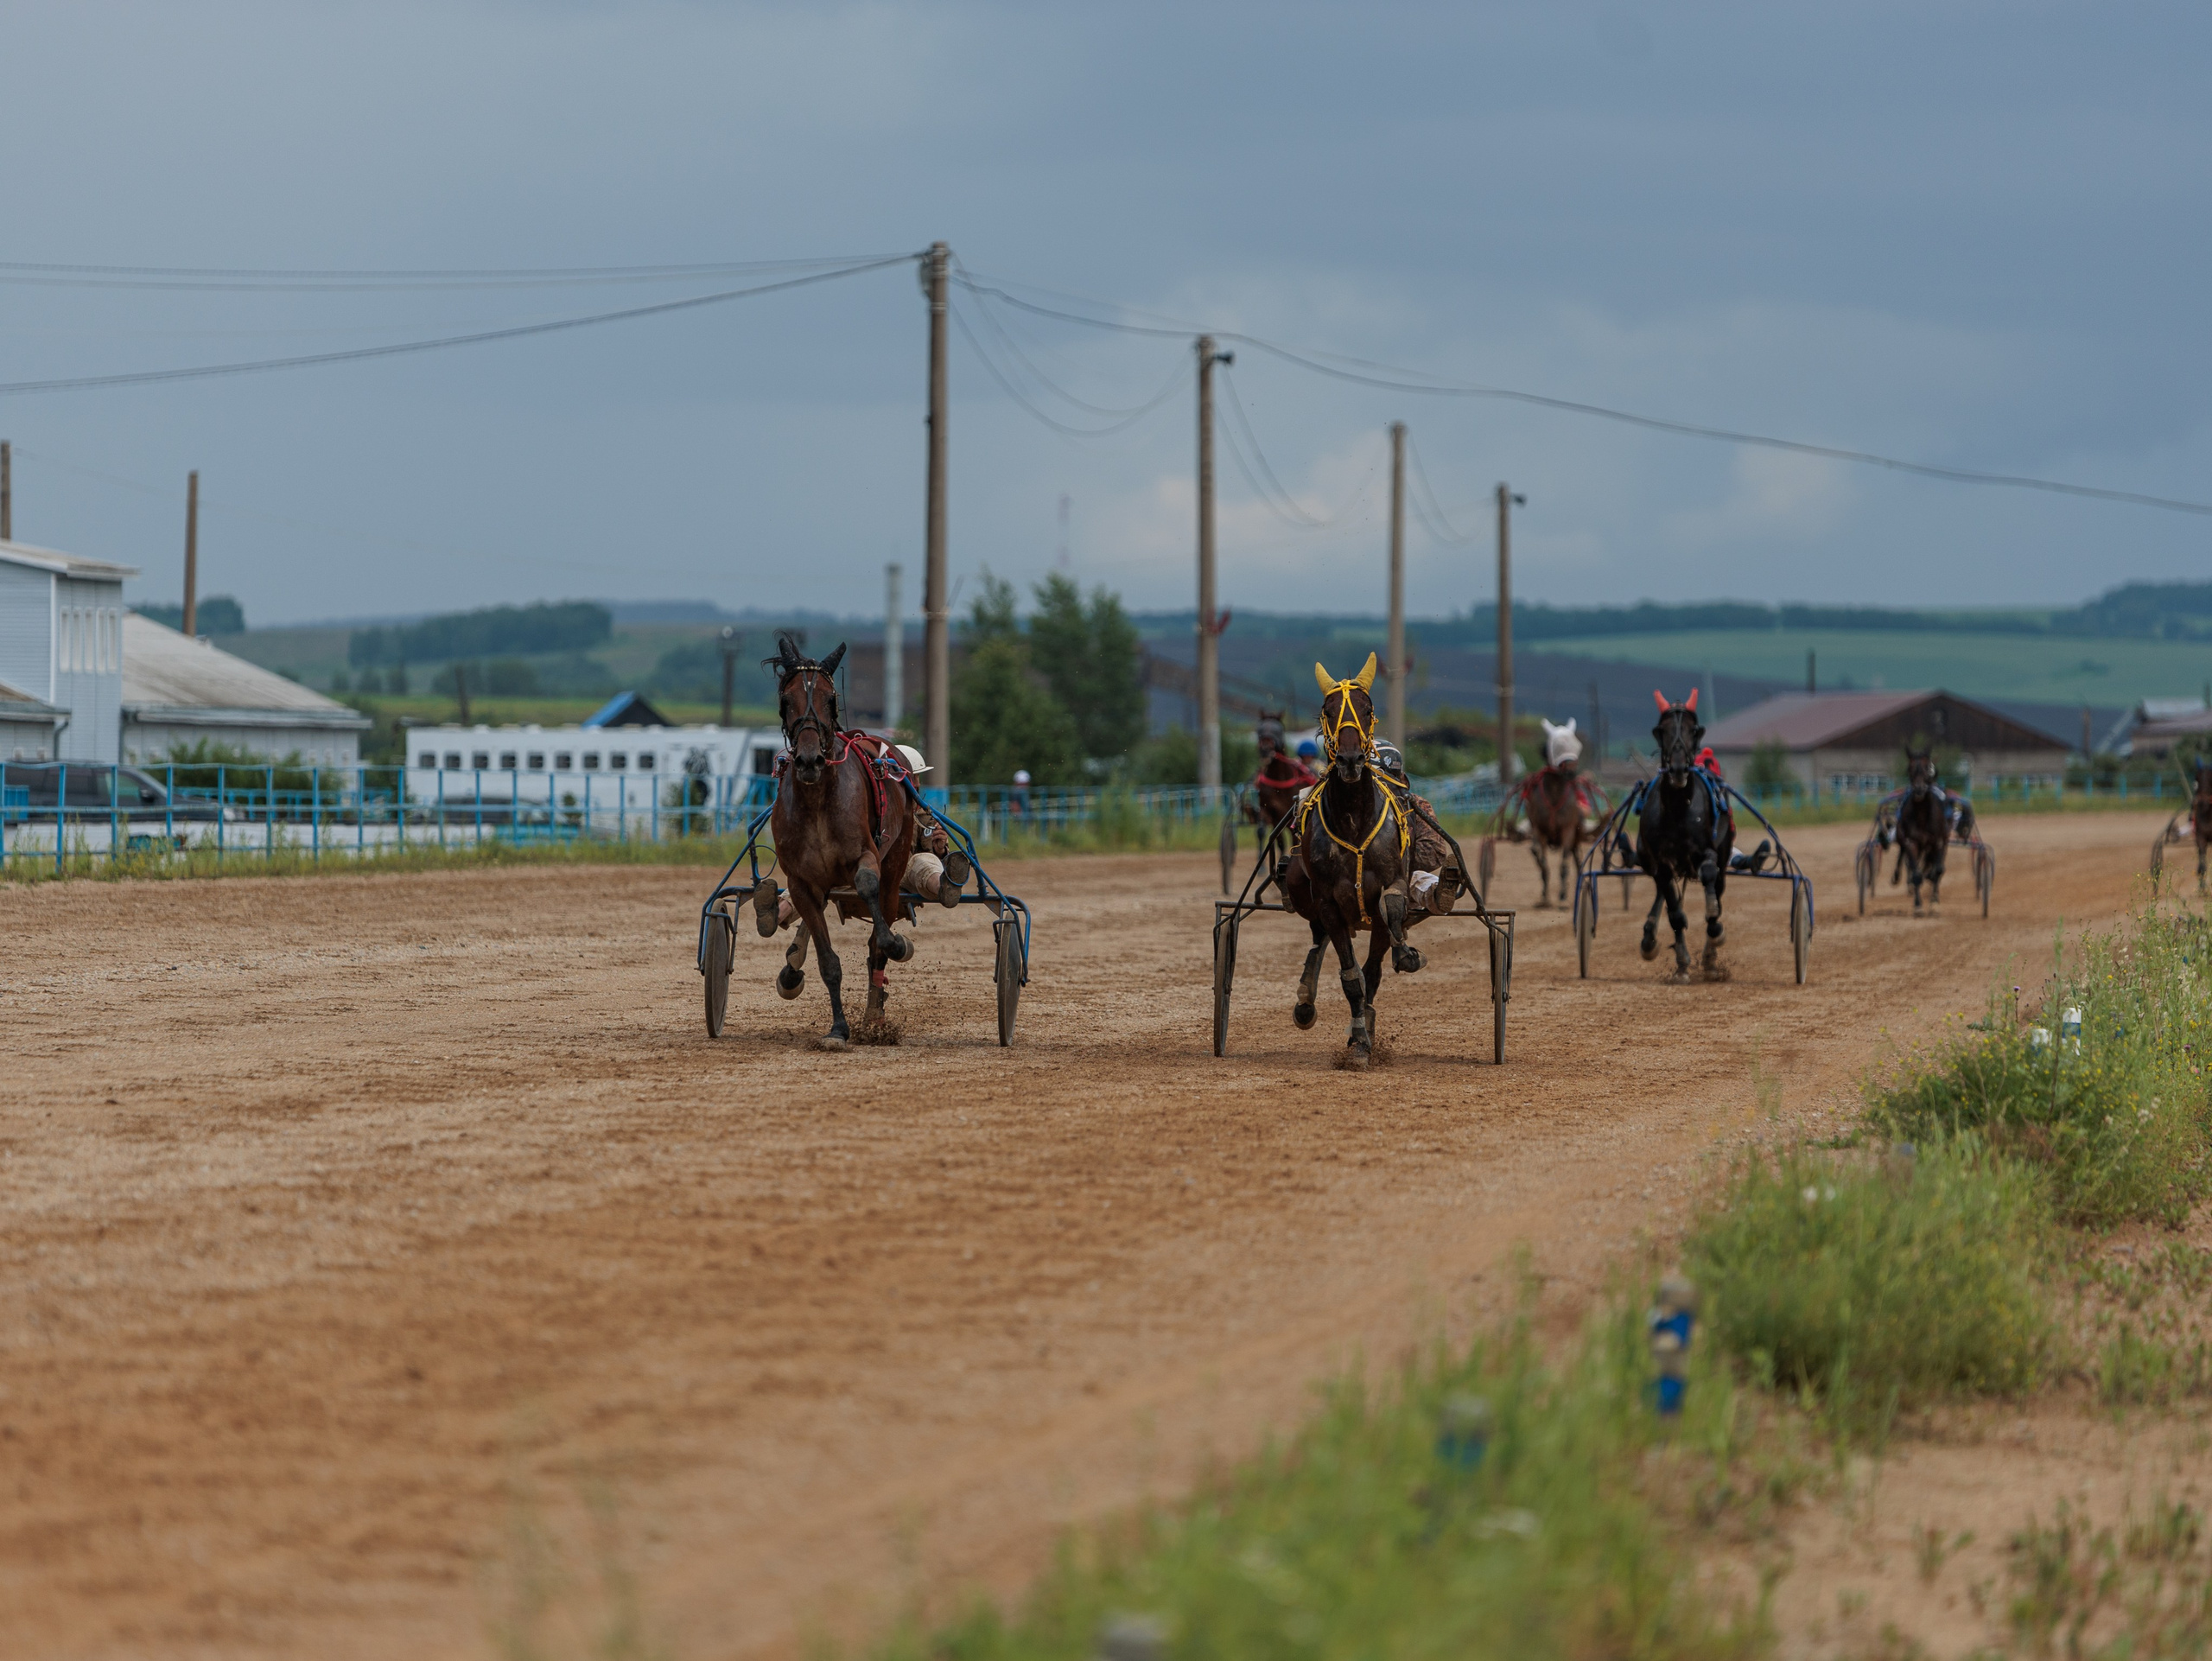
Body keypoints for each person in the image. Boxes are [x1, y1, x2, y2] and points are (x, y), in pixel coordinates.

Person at [1373, 741, 1458, 914]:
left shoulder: (1416, 806)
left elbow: (1435, 852)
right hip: (1355, 881)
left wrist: (1393, 863)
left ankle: (1438, 893)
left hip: (1402, 878)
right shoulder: (1349, 812)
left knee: (1414, 879)